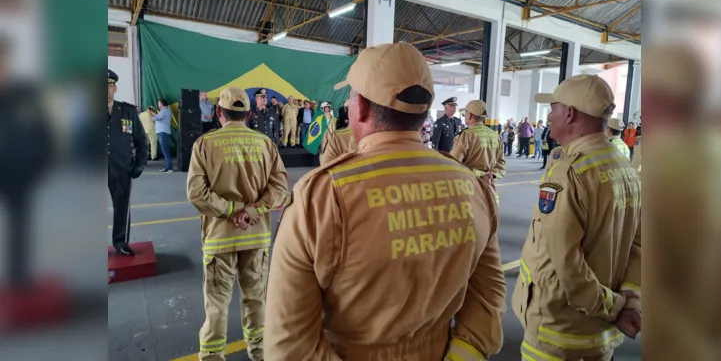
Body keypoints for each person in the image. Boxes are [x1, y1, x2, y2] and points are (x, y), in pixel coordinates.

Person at [266, 42, 506, 360]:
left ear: (361, 107)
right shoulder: (472, 187)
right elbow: (488, 296)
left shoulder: (321, 197)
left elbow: (288, 345)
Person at [513, 74, 641, 361]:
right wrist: (630, 303)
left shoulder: (570, 172)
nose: (549, 115)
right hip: (600, 337)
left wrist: (611, 307)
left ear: (569, 114)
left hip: (557, 332)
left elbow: (565, 261)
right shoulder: (626, 168)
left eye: (553, 108)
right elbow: (639, 248)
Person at [187, 87, 288, 361]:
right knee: (256, 299)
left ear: (219, 112)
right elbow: (279, 188)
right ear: (248, 113)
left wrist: (231, 210)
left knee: (217, 304)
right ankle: (260, 353)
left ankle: (212, 356)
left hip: (219, 239)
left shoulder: (205, 144)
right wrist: (252, 210)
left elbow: (197, 193)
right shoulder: (266, 144)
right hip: (257, 238)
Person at [108, 69, 148, 256]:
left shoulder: (128, 111)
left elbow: (142, 140)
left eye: (109, 86)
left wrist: (140, 163)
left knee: (121, 207)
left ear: (115, 88)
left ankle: (120, 242)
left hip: (121, 169)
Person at [450, 100, 506, 184]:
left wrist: (480, 174)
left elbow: (454, 164)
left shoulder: (466, 135)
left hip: (469, 186)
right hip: (488, 186)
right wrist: (490, 175)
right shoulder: (496, 137)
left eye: (465, 113)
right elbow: (501, 166)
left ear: (470, 115)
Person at [153, 98, 173, 172]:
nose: (158, 105)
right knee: (165, 150)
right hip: (163, 132)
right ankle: (168, 166)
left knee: (165, 150)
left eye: (158, 103)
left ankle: (169, 167)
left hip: (163, 132)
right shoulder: (165, 111)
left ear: (161, 104)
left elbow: (157, 118)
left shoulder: (164, 111)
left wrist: (151, 114)